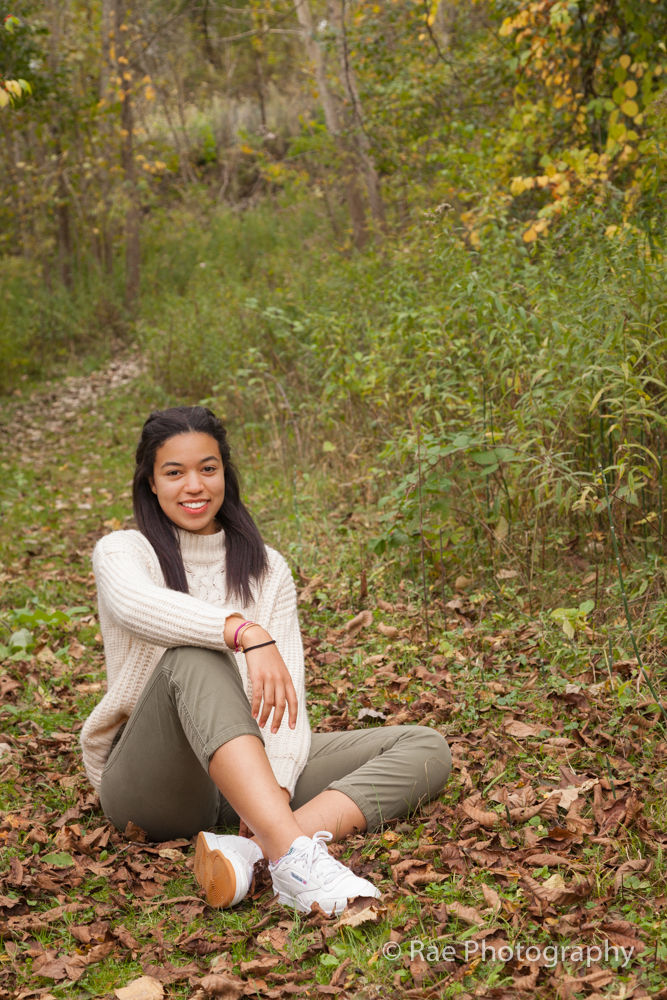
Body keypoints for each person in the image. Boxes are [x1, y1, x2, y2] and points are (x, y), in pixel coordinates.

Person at [80, 405, 451, 916]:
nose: (194, 485)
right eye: (175, 472)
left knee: (424, 747)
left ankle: (257, 850)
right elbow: (135, 606)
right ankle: (293, 856)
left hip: (242, 780)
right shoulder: (124, 550)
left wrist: (275, 787)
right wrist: (243, 631)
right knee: (196, 652)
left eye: (208, 468)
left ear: (225, 474)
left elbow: (285, 697)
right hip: (155, 785)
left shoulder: (267, 568)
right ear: (150, 482)